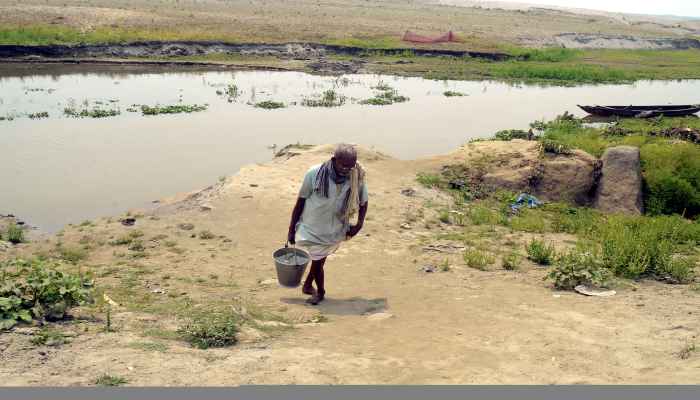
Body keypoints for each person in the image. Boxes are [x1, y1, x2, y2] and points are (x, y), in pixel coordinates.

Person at [287, 144, 369, 305]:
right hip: (312, 227)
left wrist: (359, 224)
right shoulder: (315, 173)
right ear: (334, 160)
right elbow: (301, 200)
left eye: (350, 166)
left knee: (319, 260)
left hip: (336, 228)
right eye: (343, 165)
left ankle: (308, 285)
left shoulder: (356, 177)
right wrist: (291, 229)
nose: (347, 170)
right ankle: (321, 292)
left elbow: (363, 202)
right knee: (318, 260)